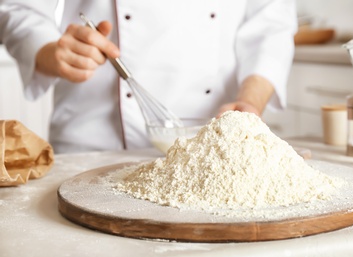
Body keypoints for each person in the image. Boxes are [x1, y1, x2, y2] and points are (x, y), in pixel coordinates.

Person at [0, 1, 297, 153]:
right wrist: (48, 51)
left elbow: (271, 23)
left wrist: (249, 102)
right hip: (94, 138)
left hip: (216, 137)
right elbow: (16, 7)